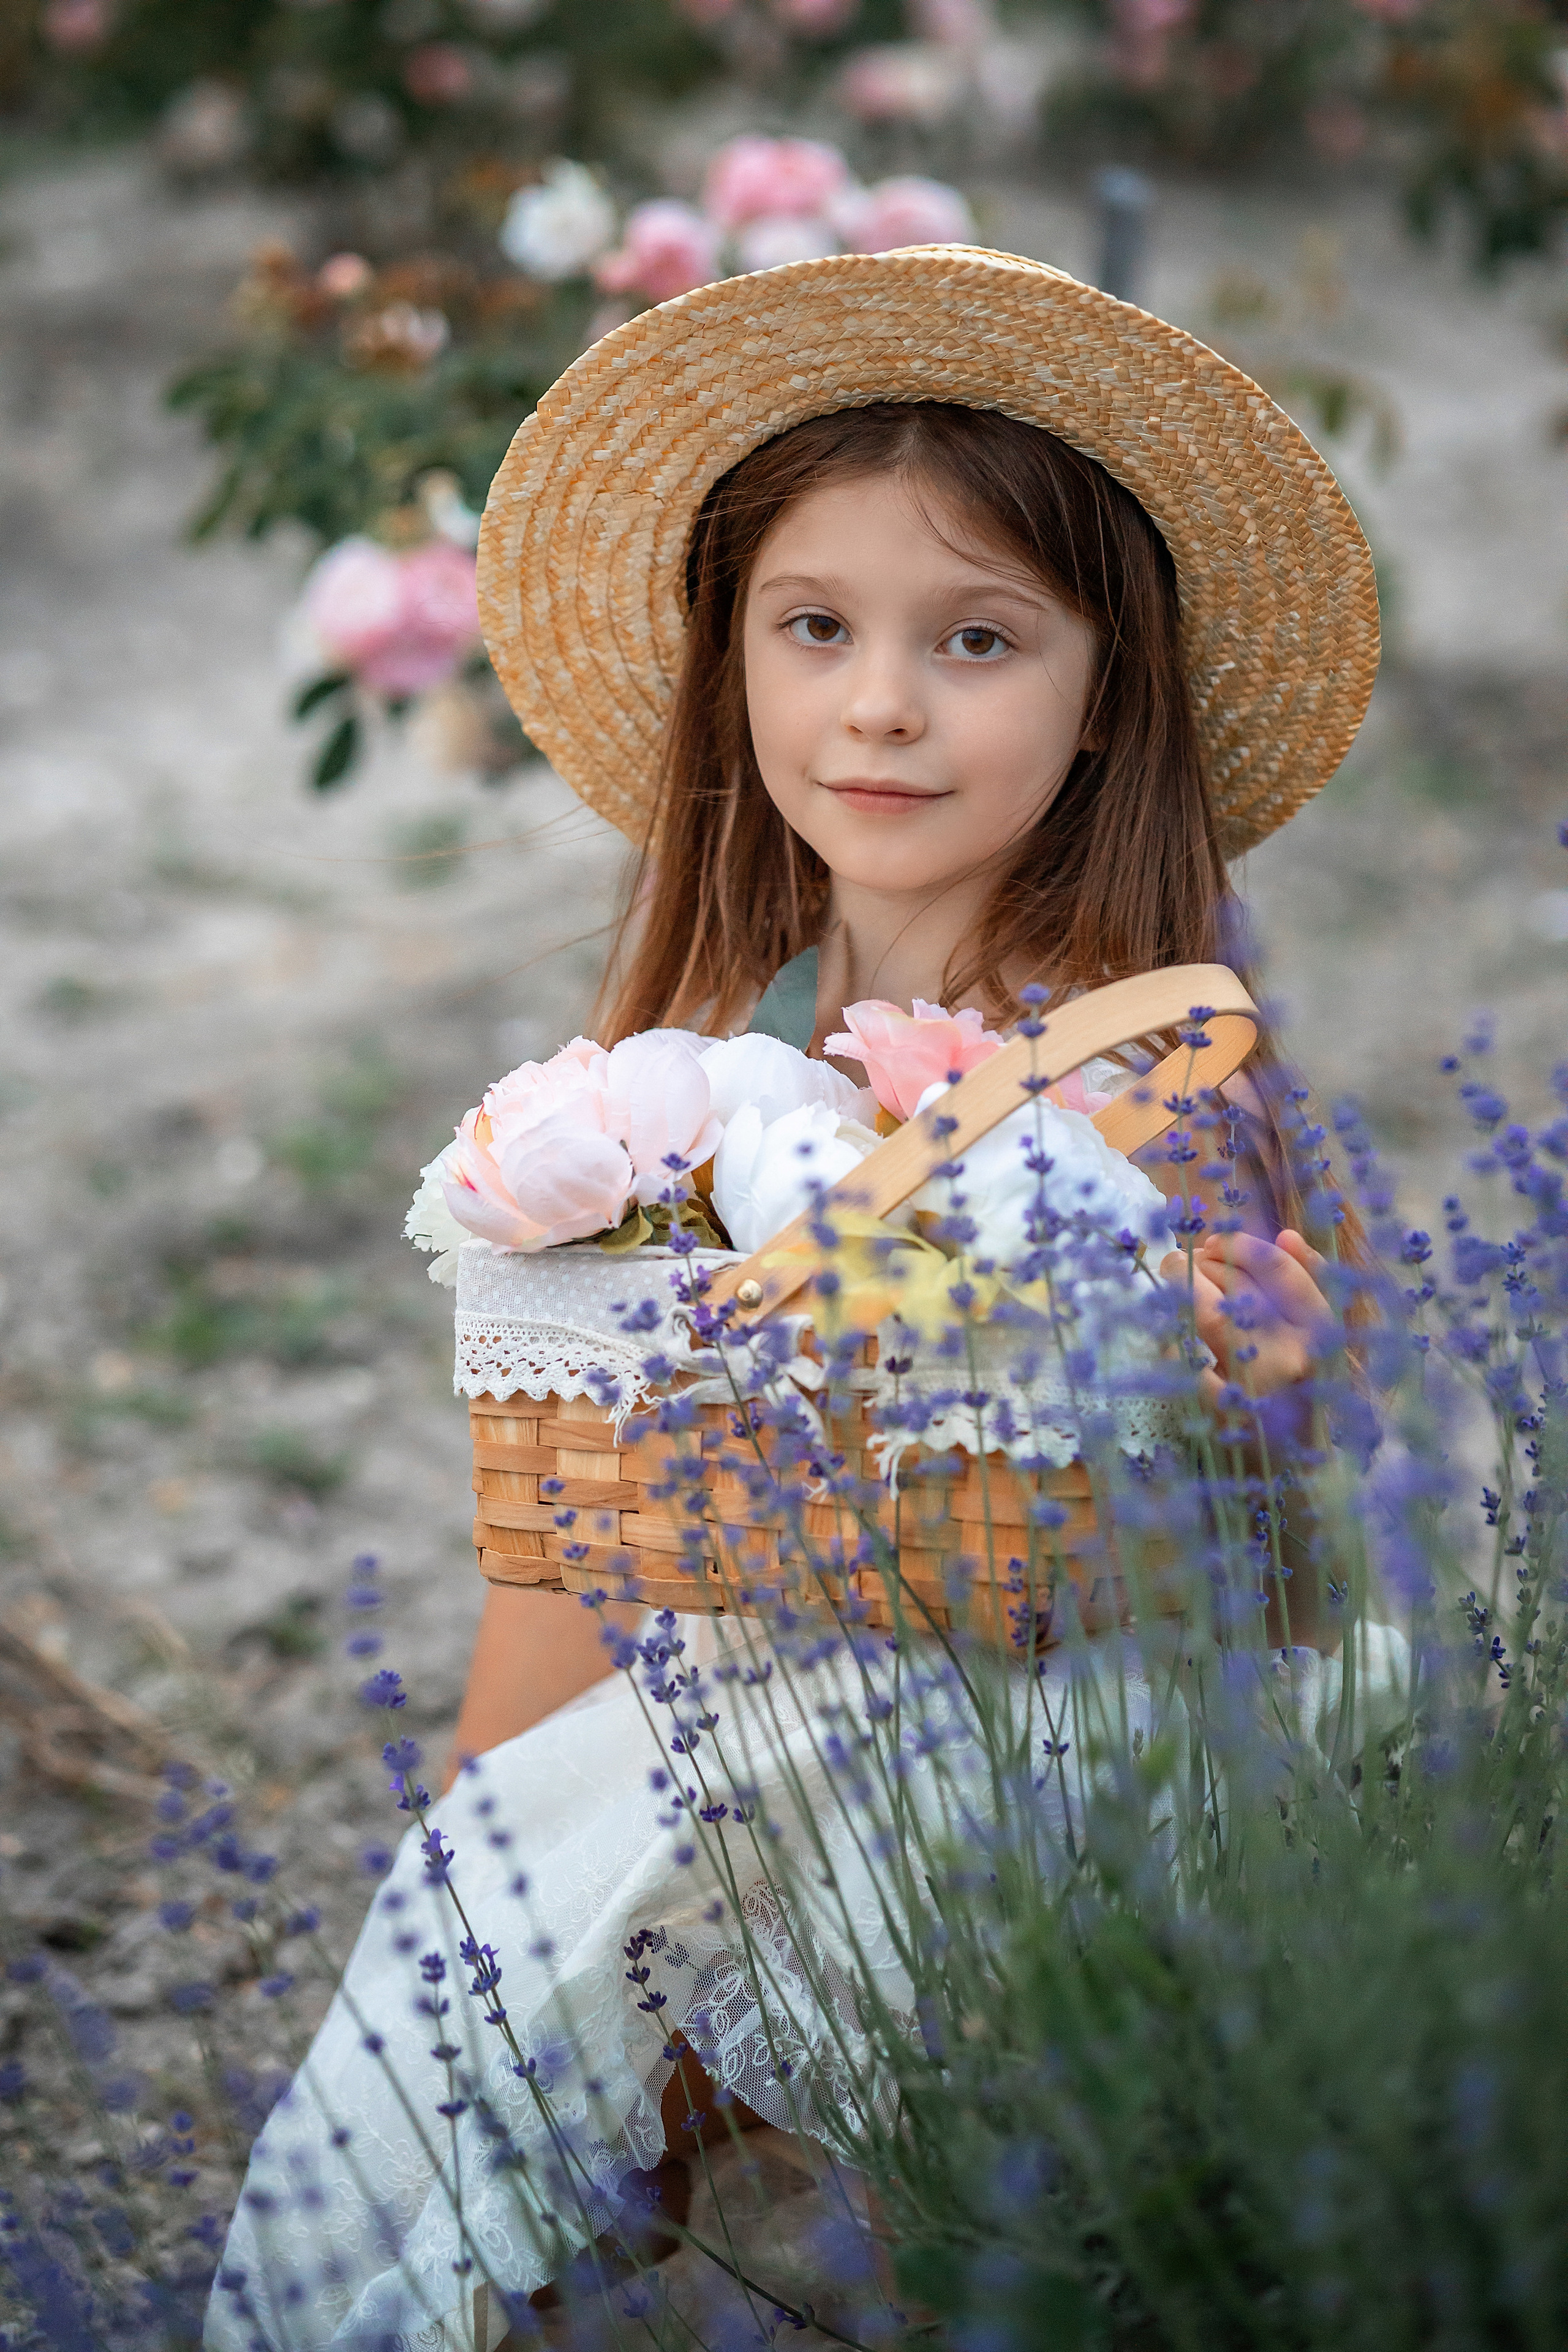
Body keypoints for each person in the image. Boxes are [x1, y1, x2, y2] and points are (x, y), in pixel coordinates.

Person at [208, 246, 1389, 2350]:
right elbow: (602, 1472)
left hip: (1029, 1722)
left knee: (927, 2145)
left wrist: (1279, 1362)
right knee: (517, 2024)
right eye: (816, 627)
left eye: (979, 638)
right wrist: (481, 1800)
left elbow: (1258, 1495)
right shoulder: (710, 1036)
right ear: (732, 655)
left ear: (1107, 688)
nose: (882, 705)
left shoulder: (1146, 1050)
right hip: (737, 1687)